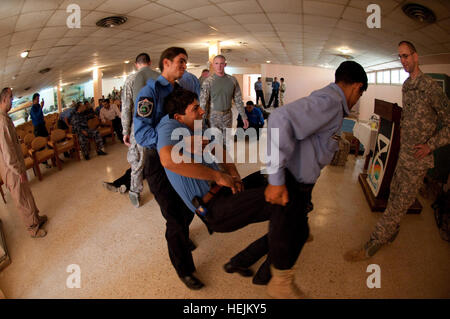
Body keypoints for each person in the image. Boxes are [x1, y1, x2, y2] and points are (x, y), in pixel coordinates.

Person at [262, 61, 368, 297]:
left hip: (303, 180)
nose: (357, 99)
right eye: (360, 94)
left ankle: (292, 242)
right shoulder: (330, 102)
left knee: (298, 228)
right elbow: (279, 119)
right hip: (294, 179)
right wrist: (276, 180)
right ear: (357, 87)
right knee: (288, 230)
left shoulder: (330, 100)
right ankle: (280, 282)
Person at [344, 41, 449, 262]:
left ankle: (373, 243)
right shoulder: (406, 86)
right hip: (403, 155)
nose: (403, 61)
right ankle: (392, 231)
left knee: (399, 204)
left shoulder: (430, 87)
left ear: (416, 56)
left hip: (418, 160)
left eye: (406, 56)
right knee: (394, 196)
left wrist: (431, 145)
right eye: (400, 56)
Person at [134, 47, 200, 290]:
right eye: (181, 61)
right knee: (172, 215)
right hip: (159, 160)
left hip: (182, 155)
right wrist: (172, 141)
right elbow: (141, 133)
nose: (184, 65)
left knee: (188, 203)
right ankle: (185, 269)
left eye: (186, 62)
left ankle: (182, 233)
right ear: (166, 63)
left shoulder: (180, 91)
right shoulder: (149, 92)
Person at [0, 88, 48, 238]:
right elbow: (7, 153)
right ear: (3, 100)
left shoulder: (5, 118)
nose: (12, 101)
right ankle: (32, 228)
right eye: (11, 98)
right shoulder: (1, 121)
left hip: (16, 167)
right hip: (11, 170)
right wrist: (18, 171)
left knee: (27, 194)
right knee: (21, 199)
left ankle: (36, 218)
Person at [122, 53, 160, 207]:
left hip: (139, 127)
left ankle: (135, 192)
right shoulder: (159, 77)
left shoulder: (130, 80)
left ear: (136, 64)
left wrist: (125, 132)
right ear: (150, 62)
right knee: (161, 157)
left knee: (137, 160)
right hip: (158, 126)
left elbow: (126, 108)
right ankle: (163, 188)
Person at [200, 55, 248, 146]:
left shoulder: (232, 80)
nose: (219, 66)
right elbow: (203, 102)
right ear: (213, 65)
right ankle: (217, 159)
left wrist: (244, 116)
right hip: (213, 116)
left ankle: (225, 159)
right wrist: (202, 121)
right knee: (215, 144)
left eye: (221, 63)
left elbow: (238, 100)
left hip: (228, 116)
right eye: (216, 63)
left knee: (227, 143)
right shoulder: (208, 82)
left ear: (225, 64)